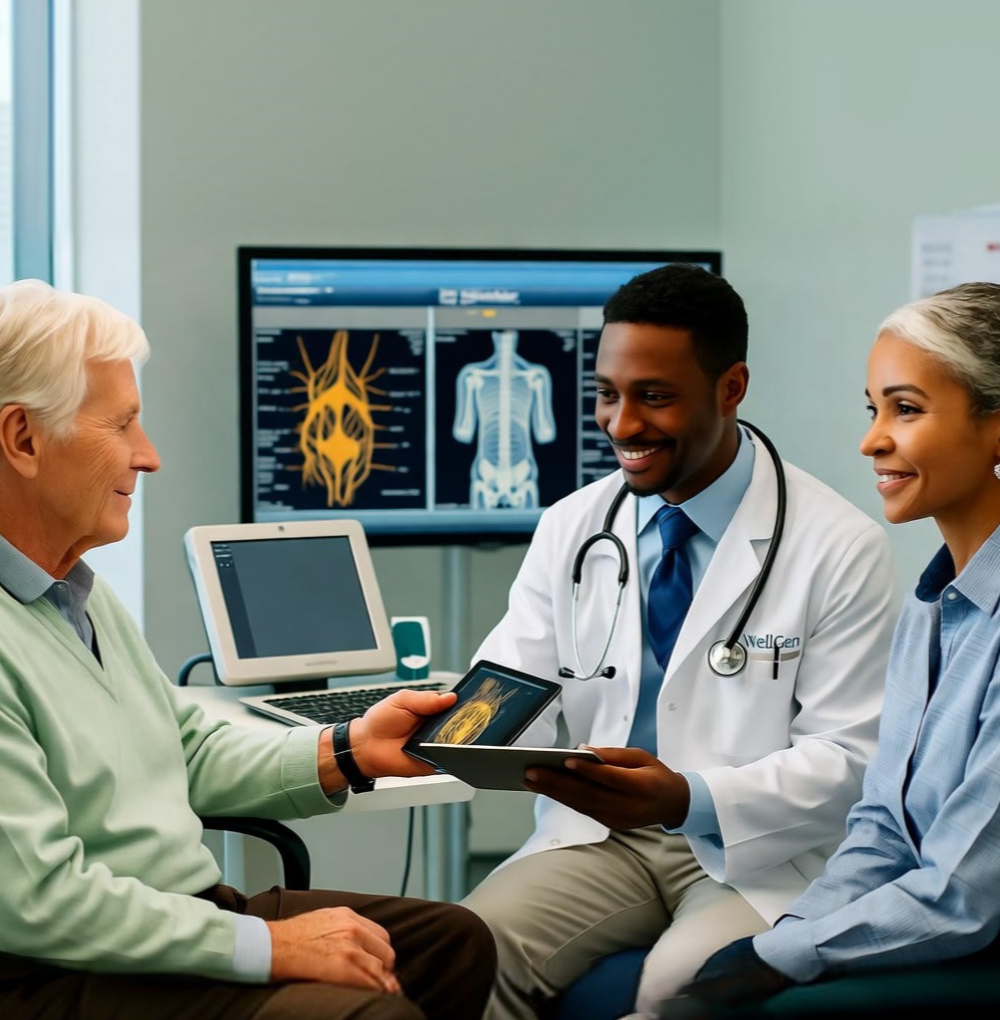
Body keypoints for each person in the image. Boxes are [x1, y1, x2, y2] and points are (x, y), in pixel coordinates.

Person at [0, 279, 496, 1020]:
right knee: (371, 1014)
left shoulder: (79, 592)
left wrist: (353, 748)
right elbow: (36, 901)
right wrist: (268, 946)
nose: (149, 456)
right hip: (58, 970)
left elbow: (186, 750)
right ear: (23, 439)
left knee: (452, 943)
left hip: (176, 918)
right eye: (123, 425)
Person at [459, 263, 899, 1020]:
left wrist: (687, 795)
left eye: (653, 397)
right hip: (602, 840)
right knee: (465, 952)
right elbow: (511, 676)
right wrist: (451, 724)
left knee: (676, 992)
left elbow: (853, 761)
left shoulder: (839, 547)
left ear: (731, 388)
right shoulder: (574, 525)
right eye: (607, 394)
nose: (622, 425)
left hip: (762, 854)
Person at [658, 280, 1000, 1019]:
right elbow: (881, 827)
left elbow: (965, 893)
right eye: (873, 409)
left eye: (905, 410)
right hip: (934, 928)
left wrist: (781, 955)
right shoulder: (932, 608)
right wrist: (793, 933)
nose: (871, 439)